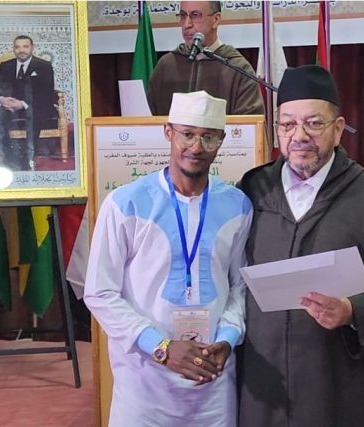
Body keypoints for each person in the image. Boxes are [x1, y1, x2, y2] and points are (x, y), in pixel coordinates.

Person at [237, 64, 364, 426]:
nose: (299, 136)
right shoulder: (253, 190)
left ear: (338, 129)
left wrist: (352, 309)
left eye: (314, 123)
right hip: (265, 387)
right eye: (287, 125)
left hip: (340, 386)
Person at [84, 91, 253, 426]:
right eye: (187, 134)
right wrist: (160, 347)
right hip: (144, 379)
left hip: (213, 379)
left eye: (208, 137)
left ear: (221, 141)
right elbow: (100, 292)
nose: (196, 147)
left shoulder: (237, 205)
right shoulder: (125, 203)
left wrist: (227, 340)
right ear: (168, 132)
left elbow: (241, 286)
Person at [147, 1, 264, 116]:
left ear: (216, 20)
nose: (186, 24)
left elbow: (250, 123)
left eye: (195, 15)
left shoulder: (237, 69)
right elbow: (147, 118)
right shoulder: (166, 66)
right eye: (182, 15)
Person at [0, 35, 58, 170]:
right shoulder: (6, 66)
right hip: (8, 106)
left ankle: (25, 158)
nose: (21, 50)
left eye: (25, 46)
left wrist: (23, 104)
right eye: (17, 47)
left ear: (32, 48)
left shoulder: (44, 66)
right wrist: (2, 99)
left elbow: (46, 93)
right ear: (14, 49)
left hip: (34, 106)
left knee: (34, 114)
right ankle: (7, 156)